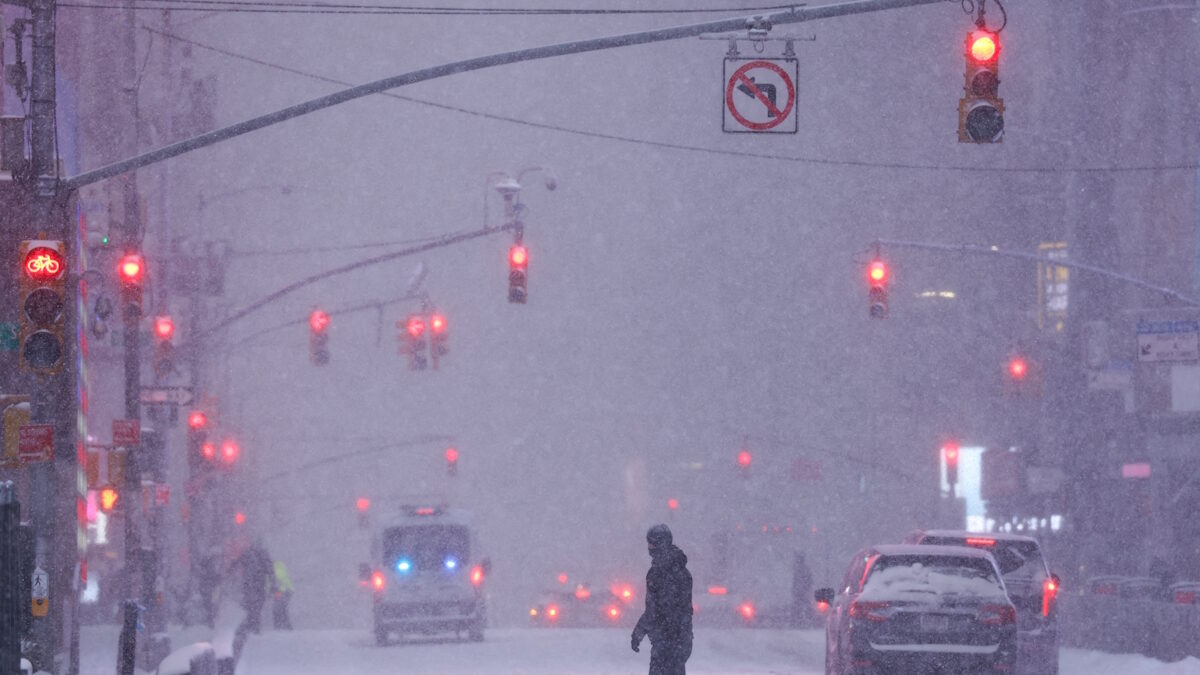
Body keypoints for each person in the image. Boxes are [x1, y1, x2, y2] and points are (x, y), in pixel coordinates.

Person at [631, 524, 693, 675]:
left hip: (665, 644)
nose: (649, 547)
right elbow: (684, 610)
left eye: (652, 543)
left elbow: (654, 611)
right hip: (680, 642)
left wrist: (638, 633)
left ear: (660, 544)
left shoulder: (658, 573)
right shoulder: (682, 571)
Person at [235, 539, 274, 634]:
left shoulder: (248, 553)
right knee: (257, 606)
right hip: (260, 584)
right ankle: (255, 626)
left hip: (249, 584)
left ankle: (251, 624)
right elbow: (270, 570)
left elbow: (237, 562)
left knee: (250, 605)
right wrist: (273, 584)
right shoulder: (264, 555)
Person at [272, 559, 294, 630]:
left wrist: (276, 589)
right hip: (287, 591)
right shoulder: (280, 568)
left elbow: (278, 581)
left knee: (278, 610)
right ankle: (286, 626)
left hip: (281, 591)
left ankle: (279, 626)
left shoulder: (275, 570)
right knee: (282, 609)